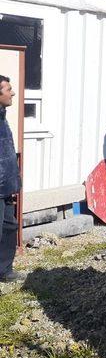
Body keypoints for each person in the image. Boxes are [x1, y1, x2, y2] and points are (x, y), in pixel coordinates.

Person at [0, 75, 23, 282]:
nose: (13, 93)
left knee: (9, 227)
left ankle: (4, 271)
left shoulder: (2, 116)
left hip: (5, 186)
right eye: (8, 89)